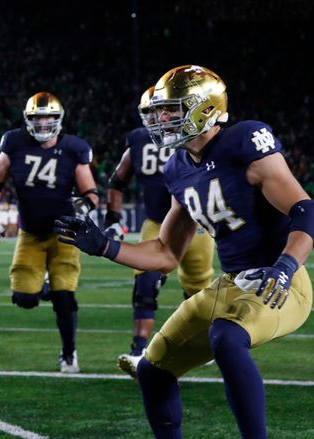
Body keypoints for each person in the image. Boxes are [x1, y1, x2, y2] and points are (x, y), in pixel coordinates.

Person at [55, 65, 312, 438]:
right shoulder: (177, 167)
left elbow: (304, 209)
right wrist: (106, 246)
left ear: (204, 108)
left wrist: (286, 266)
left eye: (171, 110)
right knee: (152, 370)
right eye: (158, 111)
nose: (160, 119)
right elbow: (165, 253)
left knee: (226, 338)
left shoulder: (244, 141)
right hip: (230, 282)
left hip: (279, 280)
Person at [0, 92, 99, 373]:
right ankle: (44, 285)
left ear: (59, 120)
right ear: (28, 119)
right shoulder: (14, 142)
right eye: (38, 117)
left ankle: (69, 353)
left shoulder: (74, 148)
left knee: (64, 298)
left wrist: (80, 211)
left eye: (49, 117)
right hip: (30, 233)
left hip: (64, 233)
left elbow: (91, 193)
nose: (44, 123)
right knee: (24, 299)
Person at [106, 87, 215, 377]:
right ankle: (139, 349)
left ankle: (201, 344)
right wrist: (113, 216)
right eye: (152, 113)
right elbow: (117, 180)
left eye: (163, 111)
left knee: (198, 292)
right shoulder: (139, 141)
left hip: (196, 222)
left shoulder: (194, 134)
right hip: (156, 221)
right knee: (145, 283)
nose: (158, 118)